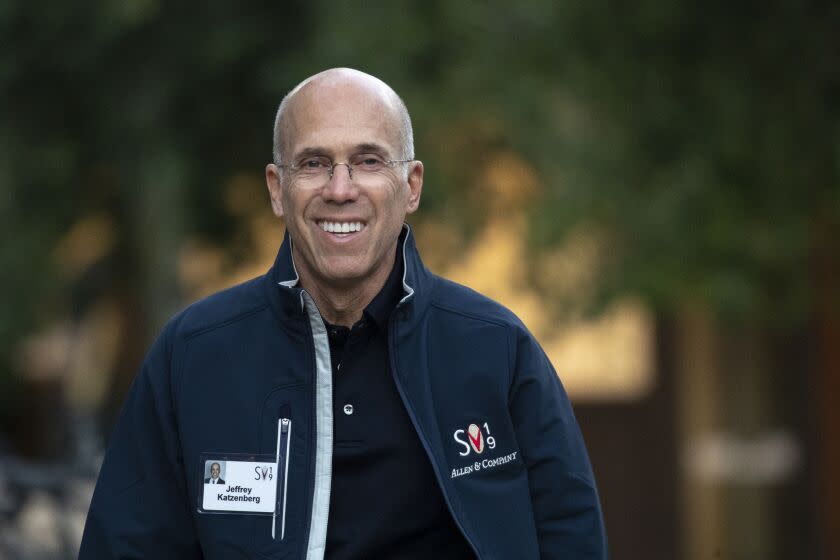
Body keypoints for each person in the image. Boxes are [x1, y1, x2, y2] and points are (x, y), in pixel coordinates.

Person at [79, 68, 608, 559]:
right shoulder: (194, 355)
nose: (340, 188)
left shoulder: (496, 349)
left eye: (368, 161)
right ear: (277, 190)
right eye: (313, 163)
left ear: (412, 186)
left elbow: (571, 537)